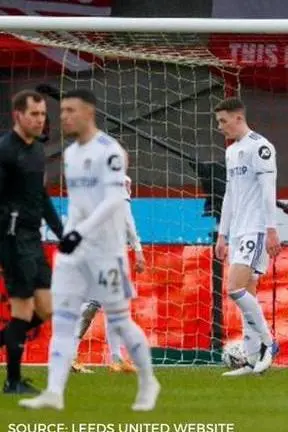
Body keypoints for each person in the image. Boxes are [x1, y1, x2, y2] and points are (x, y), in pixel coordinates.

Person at [19, 89, 159, 411]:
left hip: (106, 252)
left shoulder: (111, 153)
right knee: (65, 316)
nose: (63, 116)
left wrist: (131, 247)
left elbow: (115, 204)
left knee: (120, 320)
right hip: (76, 250)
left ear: (88, 113)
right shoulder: (71, 155)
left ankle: (148, 381)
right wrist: (68, 234)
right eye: (63, 110)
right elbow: (79, 206)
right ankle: (54, 390)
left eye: (70, 110)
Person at [0, 89, 64, 394]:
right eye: (34, 114)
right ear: (18, 116)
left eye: (42, 114)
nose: (40, 120)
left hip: (33, 239)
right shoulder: (5, 151)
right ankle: (12, 381)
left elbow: (40, 196)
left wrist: (61, 232)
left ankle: (8, 341)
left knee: (48, 307)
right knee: (22, 311)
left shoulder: (38, 151)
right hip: (12, 239)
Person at [213, 97, 280, 376]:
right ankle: (253, 361)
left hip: (256, 228)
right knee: (247, 292)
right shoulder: (232, 152)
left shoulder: (261, 147)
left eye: (223, 121)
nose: (220, 127)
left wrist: (271, 229)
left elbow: (268, 191)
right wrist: (222, 235)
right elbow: (229, 194)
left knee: (235, 288)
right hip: (238, 231)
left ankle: (269, 342)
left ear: (238, 118)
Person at [71, 174, 145, 374]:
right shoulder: (120, 179)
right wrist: (137, 249)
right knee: (97, 302)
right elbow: (126, 218)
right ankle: (71, 354)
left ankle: (116, 358)